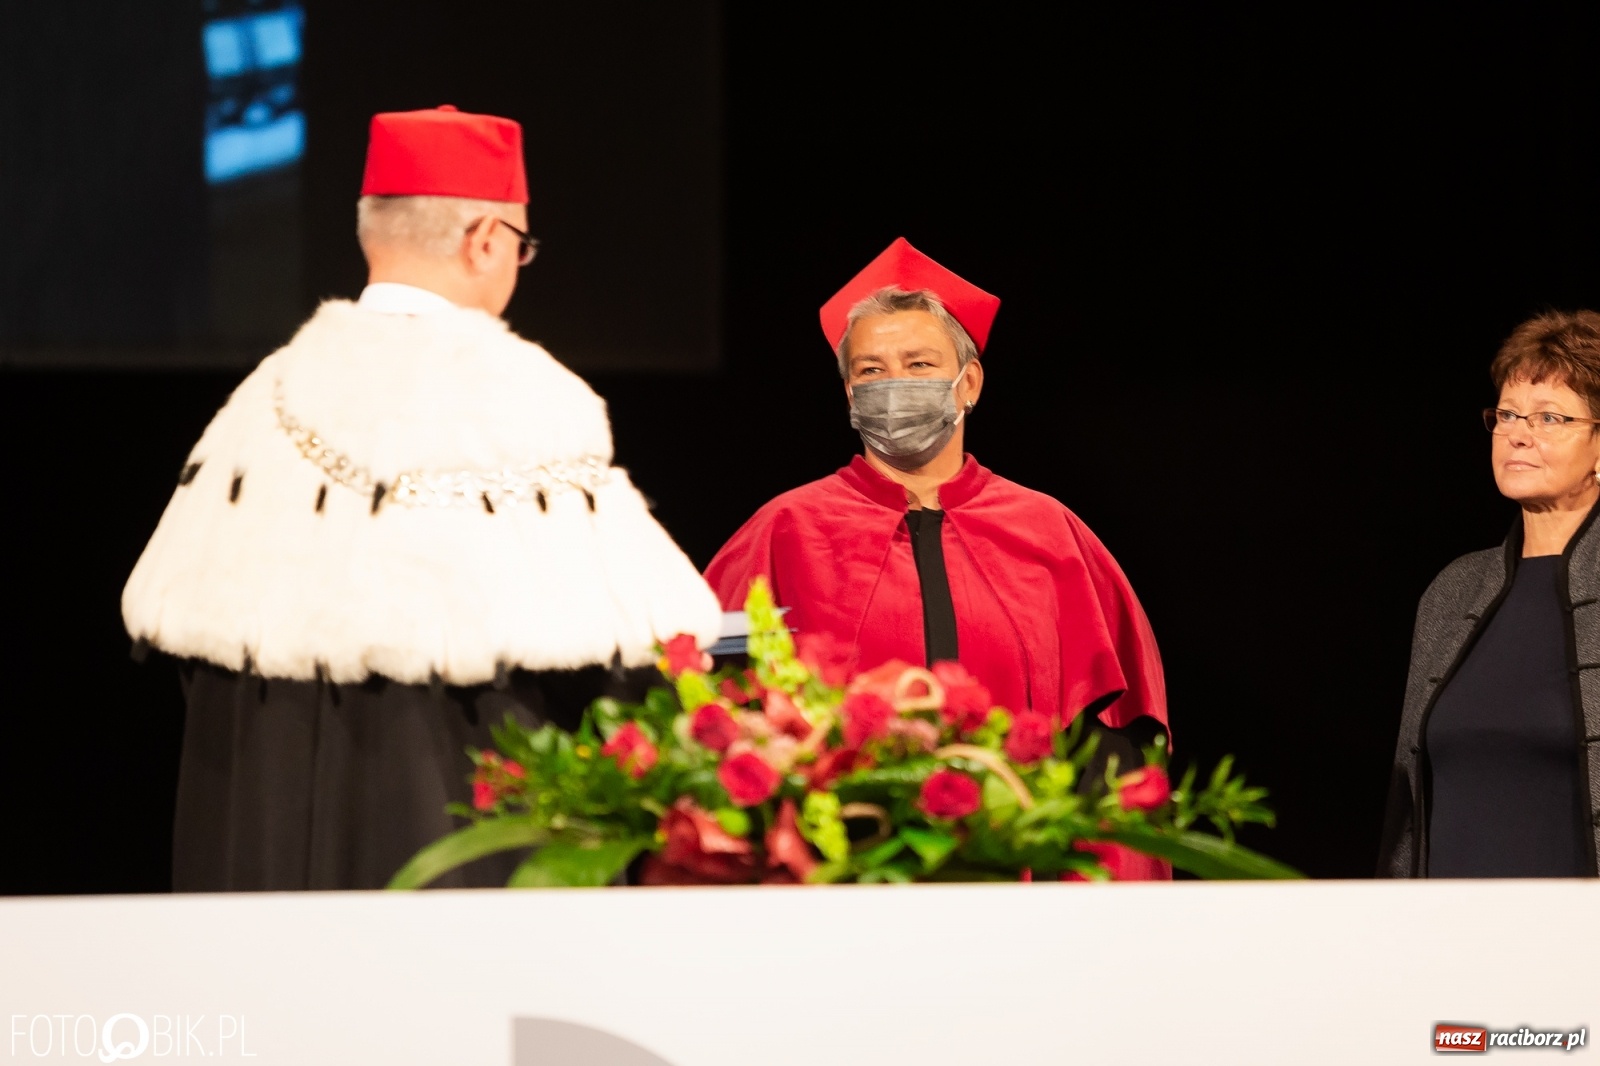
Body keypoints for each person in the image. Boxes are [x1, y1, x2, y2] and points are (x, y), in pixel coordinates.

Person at [123, 105, 720, 890]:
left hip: (268, 870)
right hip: (458, 859)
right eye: (520, 244)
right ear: (483, 240)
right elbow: (639, 663)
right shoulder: (530, 401)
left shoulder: (255, 403)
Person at [704, 238, 1169, 879]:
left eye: (919, 363)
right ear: (847, 393)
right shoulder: (783, 532)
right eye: (870, 371)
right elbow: (715, 708)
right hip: (836, 885)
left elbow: (1117, 736)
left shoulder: (1050, 535)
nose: (893, 385)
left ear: (968, 382)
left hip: (1021, 886)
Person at [1379, 310, 1600, 878]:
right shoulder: (1453, 592)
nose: (1518, 433)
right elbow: (1407, 809)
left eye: (1550, 417)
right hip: (1453, 946)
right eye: (1507, 415)